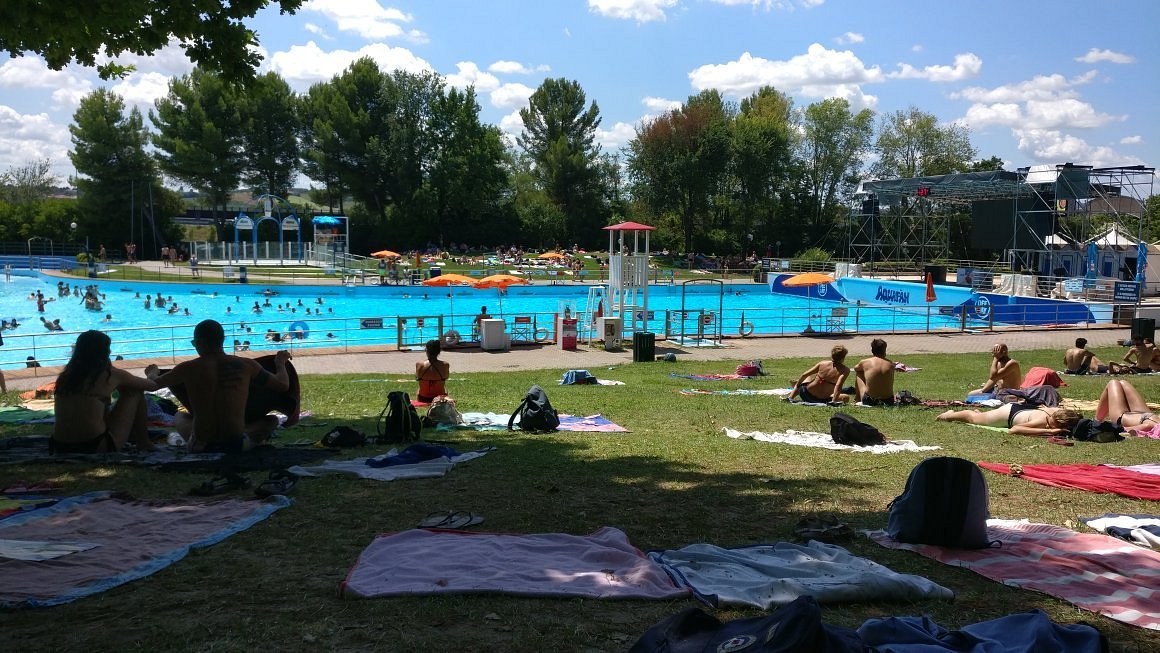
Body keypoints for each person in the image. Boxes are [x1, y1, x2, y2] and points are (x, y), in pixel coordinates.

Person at [146, 320, 291, 453]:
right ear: (222, 341)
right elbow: (283, 385)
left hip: (200, 447)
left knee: (180, 415)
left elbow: (153, 385)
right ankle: (243, 430)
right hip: (236, 445)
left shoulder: (187, 368)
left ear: (198, 342)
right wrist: (280, 363)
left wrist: (152, 372)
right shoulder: (245, 365)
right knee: (272, 420)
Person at [51, 330, 156, 453]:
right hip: (96, 445)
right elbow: (151, 386)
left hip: (59, 446)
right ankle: (144, 443)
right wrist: (152, 373)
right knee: (134, 390)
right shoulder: (110, 374)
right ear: (105, 351)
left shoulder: (66, 376)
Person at [936, 404, 1082, 437]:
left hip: (1020, 409)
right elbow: (1015, 430)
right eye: (1052, 424)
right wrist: (1050, 430)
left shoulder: (1056, 411)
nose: (1050, 425)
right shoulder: (1043, 420)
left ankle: (982, 414)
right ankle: (948, 415)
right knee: (972, 418)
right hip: (1008, 415)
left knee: (981, 416)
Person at [854, 338, 896, 405]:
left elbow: (856, 368)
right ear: (885, 350)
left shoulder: (865, 362)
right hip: (889, 400)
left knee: (859, 372)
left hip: (870, 401)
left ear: (872, 350)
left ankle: (858, 399)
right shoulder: (891, 364)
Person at [415, 339, 450, 404]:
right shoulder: (445, 365)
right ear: (439, 351)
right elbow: (446, 377)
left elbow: (417, 377)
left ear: (426, 350)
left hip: (423, 397)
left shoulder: (419, 365)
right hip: (440, 398)